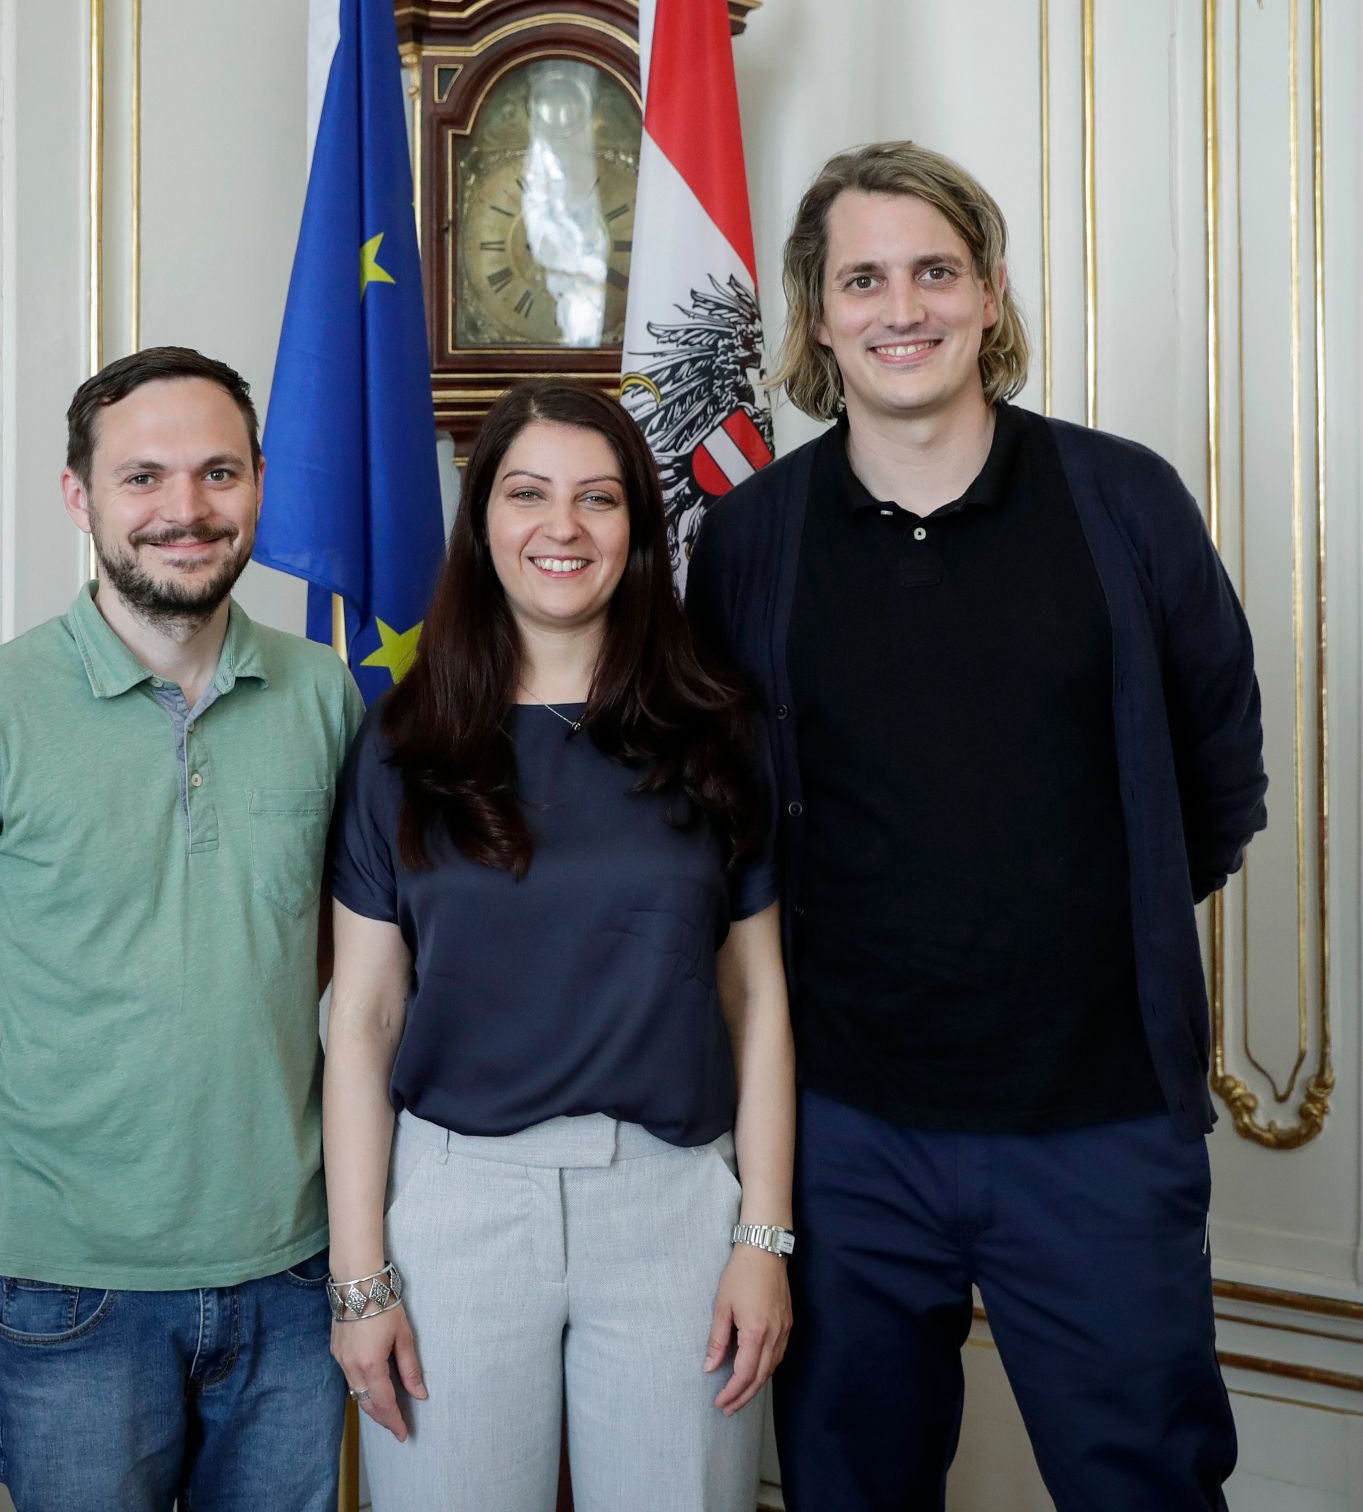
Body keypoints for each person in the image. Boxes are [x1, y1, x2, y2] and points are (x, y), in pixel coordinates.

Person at [687, 141, 1267, 1511]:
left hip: (1095, 1121)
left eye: (934, 272)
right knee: (848, 1487)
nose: (903, 307)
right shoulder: (751, 541)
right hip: (839, 1136)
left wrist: (1076, 928)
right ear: (816, 315)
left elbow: (1217, 774)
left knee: (1144, 1485)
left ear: (989, 295)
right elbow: (720, 817)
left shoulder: (1119, 502)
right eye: (864, 278)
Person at [0, 347, 361, 1512]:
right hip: (74, 1285)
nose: (184, 511)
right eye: (141, 477)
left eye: (218, 473)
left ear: (258, 484)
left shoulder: (324, 695)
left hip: (296, 1265)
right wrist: (55, 1158)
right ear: (78, 495)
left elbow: (340, 963)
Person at [325, 379, 794, 1512]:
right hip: (452, 1206)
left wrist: (763, 1235)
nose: (562, 526)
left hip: (677, 1204)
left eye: (598, 497)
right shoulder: (403, 739)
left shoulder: (716, 727)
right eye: (528, 493)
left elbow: (760, 999)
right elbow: (364, 1018)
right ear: (482, 520)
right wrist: (357, 1280)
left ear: (637, 528)